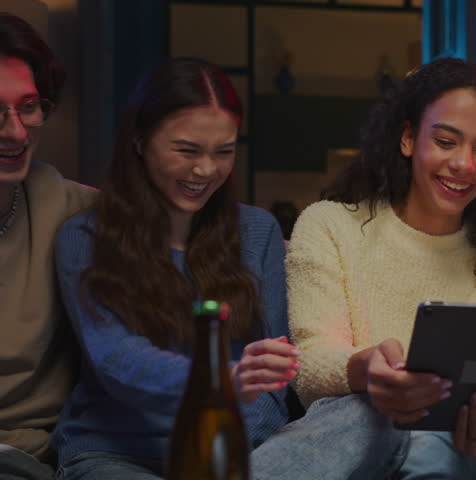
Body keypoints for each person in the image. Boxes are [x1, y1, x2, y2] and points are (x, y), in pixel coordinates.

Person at [286, 57, 476, 479]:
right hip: (350, 448)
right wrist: (365, 371)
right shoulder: (329, 226)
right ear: (408, 139)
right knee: (369, 410)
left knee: (433, 426)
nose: (464, 164)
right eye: (446, 142)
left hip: (456, 451)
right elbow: (310, 364)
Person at [52, 57, 302, 479]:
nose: (206, 170)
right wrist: (220, 380)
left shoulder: (257, 231)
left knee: (353, 419)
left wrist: (229, 450)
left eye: (224, 152)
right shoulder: (85, 236)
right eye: (186, 150)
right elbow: (117, 359)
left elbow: (278, 372)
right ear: (139, 140)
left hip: (239, 451)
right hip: (119, 453)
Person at [0, 13, 96, 480]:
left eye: (29, 106)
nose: (16, 132)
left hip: (41, 459)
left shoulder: (69, 207)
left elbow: (173, 222)